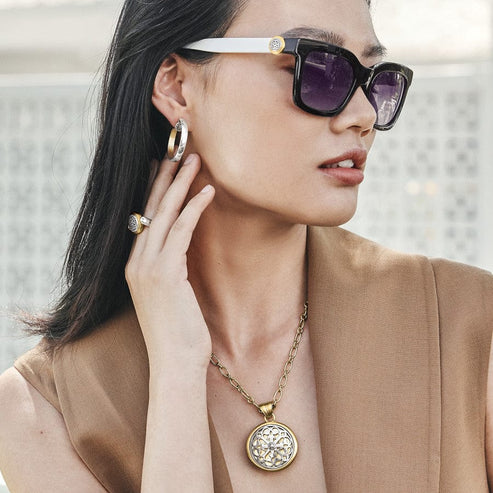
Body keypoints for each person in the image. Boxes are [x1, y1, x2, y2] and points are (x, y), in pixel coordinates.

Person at [0, 0, 492, 491]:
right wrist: (176, 370)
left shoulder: (472, 329)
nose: (363, 115)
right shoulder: (42, 409)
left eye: (374, 81)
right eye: (317, 68)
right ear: (176, 86)